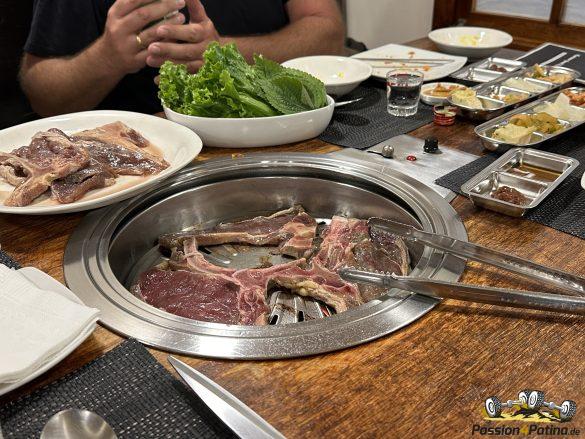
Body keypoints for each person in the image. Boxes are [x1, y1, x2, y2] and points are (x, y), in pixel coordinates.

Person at [20, 0, 345, 117]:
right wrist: (106, 57)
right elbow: (43, 94)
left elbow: (327, 31)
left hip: (283, 131)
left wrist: (223, 53)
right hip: (139, 167)